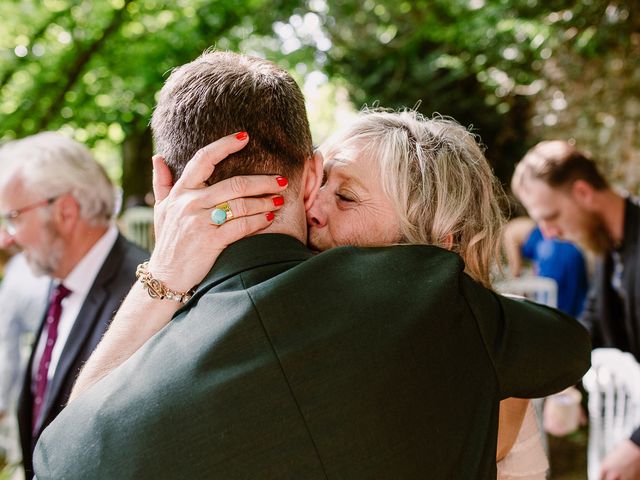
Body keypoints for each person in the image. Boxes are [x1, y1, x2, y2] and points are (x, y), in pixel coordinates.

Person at [34, 52, 590, 480]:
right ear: (309, 169)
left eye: (345, 197)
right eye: (322, 185)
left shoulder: (457, 321)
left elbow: (72, 445)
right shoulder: (466, 326)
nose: (316, 208)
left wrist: (160, 279)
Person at [0, 132, 148, 478]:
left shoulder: (146, 293)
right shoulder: (58, 280)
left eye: (14, 217)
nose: (8, 237)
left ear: (65, 211)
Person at [511, 140, 640, 480]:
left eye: (551, 217)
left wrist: (638, 445)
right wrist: (562, 380)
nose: (549, 233)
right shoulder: (610, 244)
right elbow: (592, 320)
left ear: (583, 192)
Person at [502, 216, 589, 317]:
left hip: (550, 253)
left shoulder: (507, 233)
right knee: (576, 301)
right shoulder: (523, 223)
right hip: (570, 250)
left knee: (554, 307)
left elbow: (516, 269)